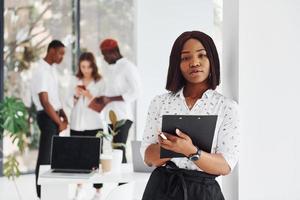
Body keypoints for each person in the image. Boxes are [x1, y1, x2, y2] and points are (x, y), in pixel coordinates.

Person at [140, 31, 240, 200]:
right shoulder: (160, 103)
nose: (194, 62)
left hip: (205, 193)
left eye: (202, 55)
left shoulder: (226, 107)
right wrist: (173, 148)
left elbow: (225, 165)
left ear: (212, 60)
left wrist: (190, 151)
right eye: (185, 58)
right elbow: (148, 158)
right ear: (177, 64)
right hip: (162, 189)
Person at [31, 40, 68, 198]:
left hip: (53, 115)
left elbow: (53, 97)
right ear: (51, 51)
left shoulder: (51, 69)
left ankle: (50, 192)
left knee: (53, 157)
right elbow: (44, 101)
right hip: (47, 117)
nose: (62, 57)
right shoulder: (41, 70)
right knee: (45, 158)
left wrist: (63, 115)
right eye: (60, 53)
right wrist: (59, 122)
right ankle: (41, 194)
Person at [68, 52, 106, 200]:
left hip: (94, 124)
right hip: (77, 124)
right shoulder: (74, 80)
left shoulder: (100, 81)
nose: (86, 70)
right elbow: (68, 102)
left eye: (89, 67)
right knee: (77, 157)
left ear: (93, 66)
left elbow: (102, 105)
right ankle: (79, 188)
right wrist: (76, 95)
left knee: (94, 158)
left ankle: (97, 191)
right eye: (83, 67)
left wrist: (89, 95)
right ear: (79, 66)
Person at [97, 38, 141, 163]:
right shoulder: (111, 69)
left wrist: (110, 99)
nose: (104, 59)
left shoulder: (128, 67)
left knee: (119, 150)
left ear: (114, 52)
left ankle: (123, 182)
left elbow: (136, 91)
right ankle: (120, 181)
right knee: (115, 151)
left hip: (123, 116)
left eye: (105, 55)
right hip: (112, 117)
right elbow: (111, 90)